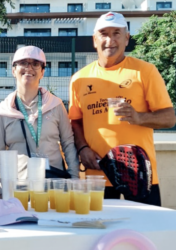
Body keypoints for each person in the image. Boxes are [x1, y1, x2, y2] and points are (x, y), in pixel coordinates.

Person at [68, 12, 176, 206]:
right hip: (97, 174)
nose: (110, 40)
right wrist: (83, 148)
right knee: (97, 233)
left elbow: (169, 118)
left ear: (126, 38)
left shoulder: (145, 71)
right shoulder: (79, 78)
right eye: (104, 33)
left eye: (116, 33)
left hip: (139, 175)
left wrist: (138, 117)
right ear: (95, 40)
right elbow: (75, 120)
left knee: (145, 232)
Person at [0, 46, 79, 184]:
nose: (29, 68)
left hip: (54, 184)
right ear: (13, 70)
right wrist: (2, 183)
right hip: (19, 186)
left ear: (42, 72)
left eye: (35, 64)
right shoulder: (3, 111)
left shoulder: (55, 105)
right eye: (23, 63)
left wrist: (74, 180)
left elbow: (68, 143)